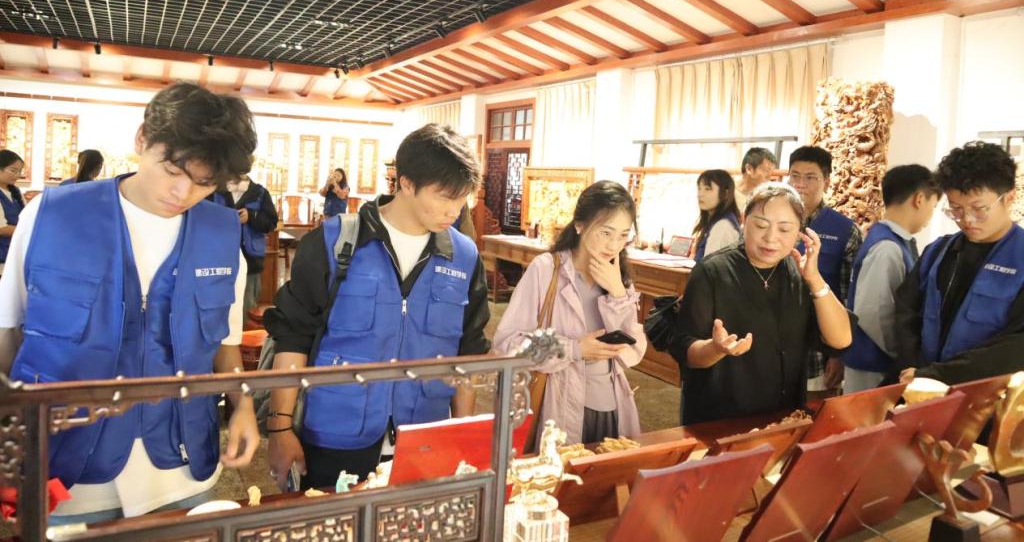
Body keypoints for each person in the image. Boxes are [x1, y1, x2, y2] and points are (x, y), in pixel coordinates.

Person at [0, 83, 259, 524]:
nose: (182, 193)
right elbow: (10, 331)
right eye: (172, 171)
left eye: (204, 183)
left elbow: (225, 343)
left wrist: (244, 406)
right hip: (66, 468)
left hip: (182, 463)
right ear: (142, 139)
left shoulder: (221, 233)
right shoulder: (52, 215)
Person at [264, 124, 491, 489]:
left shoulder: (464, 257)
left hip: (424, 433)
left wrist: (460, 436)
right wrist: (280, 428)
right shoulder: (336, 242)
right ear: (406, 183)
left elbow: (468, 352)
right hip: (335, 435)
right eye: (444, 197)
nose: (454, 210)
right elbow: (293, 337)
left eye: (462, 198)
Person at [669, 182, 853, 425]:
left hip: (783, 417)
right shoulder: (712, 271)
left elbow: (841, 339)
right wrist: (716, 349)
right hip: (721, 418)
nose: (770, 238)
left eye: (784, 229)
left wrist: (814, 278)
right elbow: (686, 350)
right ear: (744, 221)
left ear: (800, 233)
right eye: (761, 225)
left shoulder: (798, 273)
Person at [493, 181, 646, 445]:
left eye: (623, 235)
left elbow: (633, 352)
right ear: (579, 225)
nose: (614, 245)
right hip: (558, 407)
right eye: (605, 232)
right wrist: (573, 349)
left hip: (611, 406)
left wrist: (619, 294)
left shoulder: (619, 278)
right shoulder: (546, 270)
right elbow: (507, 344)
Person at [894, 142, 1024, 385]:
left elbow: (1015, 347)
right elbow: (906, 313)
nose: (967, 220)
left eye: (979, 209)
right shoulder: (938, 252)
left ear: (1009, 198)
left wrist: (940, 375)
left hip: (991, 393)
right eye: (956, 209)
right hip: (924, 386)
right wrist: (917, 370)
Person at [843, 165, 940, 392]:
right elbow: (875, 314)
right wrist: (904, 354)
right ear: (919, 199)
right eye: (933, 206)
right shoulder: (887, 247)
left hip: (876, 361)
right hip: (874, 364)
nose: (931, 214)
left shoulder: (893, 240)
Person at [788, 145, 862, 393]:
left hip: (817, 356)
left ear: (827, 182)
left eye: (810, 177)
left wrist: (839, 355)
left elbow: (849, 298)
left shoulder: (845, 230)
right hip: (770, 349)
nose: (800, 184)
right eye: (795, 176)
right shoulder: (774, 222)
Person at [209, 174, 279, 314]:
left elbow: (271, 223)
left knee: (246, 307)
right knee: (217, 307)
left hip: (250, 261)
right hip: (217, 259)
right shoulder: (214, 190)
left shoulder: (260, 193)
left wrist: (251, 216)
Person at [693, 169, 741, 261]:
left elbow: (709, 267)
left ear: (726, 193)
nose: (700, 194)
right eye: (699, 188)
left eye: (707, 189)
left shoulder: (722, 227)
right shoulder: (717, 222)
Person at [0, 150, 25, 276]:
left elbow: (25, 217)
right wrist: (27, 231)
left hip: (14, 253)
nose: (17, 175)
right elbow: (2, 228)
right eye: (13, 171)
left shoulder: (16, 192)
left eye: (20, 171)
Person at [735, 147, 778, 214]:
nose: (769, 176)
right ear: (749, 169)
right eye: (766, 170)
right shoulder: (727, 191)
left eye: (771, 172)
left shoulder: (767, 197)